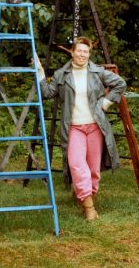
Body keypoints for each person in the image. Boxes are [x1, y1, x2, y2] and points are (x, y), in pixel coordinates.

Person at [35, 36, 126, 220]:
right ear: (72, 51)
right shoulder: (62, 74)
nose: (82, 55)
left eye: (86, 51)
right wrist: (40, 73)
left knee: (93, 169)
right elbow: (47, 93)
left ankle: (85, 196)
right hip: (74, 128)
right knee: (77, 165)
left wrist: (106, 102)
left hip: (94, 126)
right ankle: (89, 207)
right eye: (79, 51)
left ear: (89, 54)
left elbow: (120, 83)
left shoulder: (97, 72)